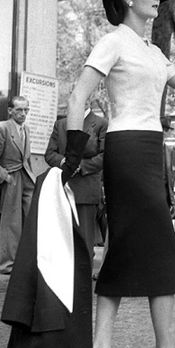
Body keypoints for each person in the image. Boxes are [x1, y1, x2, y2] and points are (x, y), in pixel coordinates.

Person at [62, 0, 175, 348]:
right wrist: (73, 153)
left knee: (123, 250)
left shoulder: (154, 52)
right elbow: (78, 95)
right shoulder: (114, 41)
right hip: (125, 150)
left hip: (151, 152)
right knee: (163, 248)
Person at [44, 105, 106, 263]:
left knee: (85, 239)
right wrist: (63, 161)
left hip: (86, 189)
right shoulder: (61, 124)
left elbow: (106, 155)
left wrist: (82, 166)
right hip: (63, 188)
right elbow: (50, 154)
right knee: (62, 240)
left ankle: (82, 279)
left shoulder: (100, 123)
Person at [0, 96, 36, 275]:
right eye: (19, 109)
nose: (23, 114)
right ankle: (9, 265)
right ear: (10, 110)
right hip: (11, 178)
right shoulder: (1, 128)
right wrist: (5, 176)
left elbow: (26, 158)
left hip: (27, 179)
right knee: (11, 223)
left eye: (26, 110)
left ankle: (27, 262)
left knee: (32, 220)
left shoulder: (26, 129)